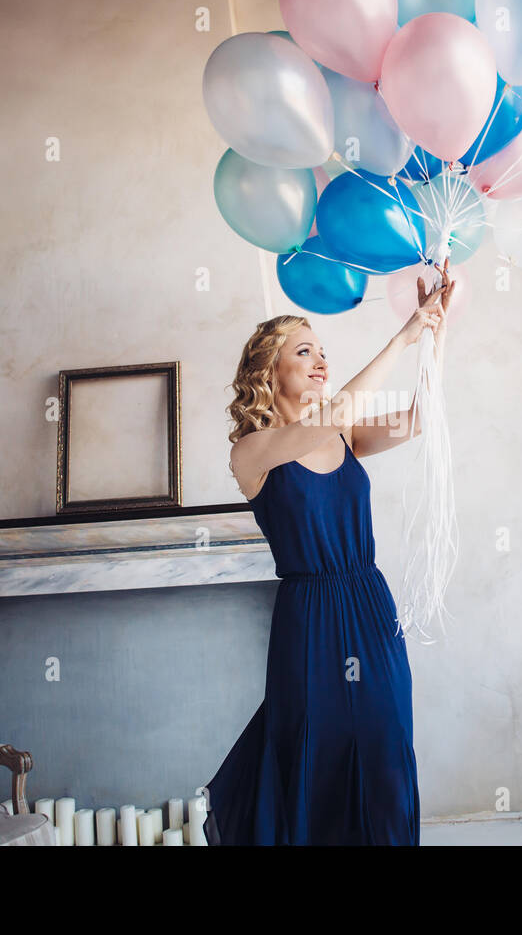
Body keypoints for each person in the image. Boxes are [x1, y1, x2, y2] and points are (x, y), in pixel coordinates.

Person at [201, 261, 454, 845]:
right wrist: (402, 334)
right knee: (318, 753)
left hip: (369, 603)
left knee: (386, 746)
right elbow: (334, 412)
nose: (320, 361)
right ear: (270, 371)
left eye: (321, 351)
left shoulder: (345, 436)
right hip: (309, 618)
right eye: (303, 352)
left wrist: (436, 331)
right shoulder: (253, 452)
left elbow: (423, 415)